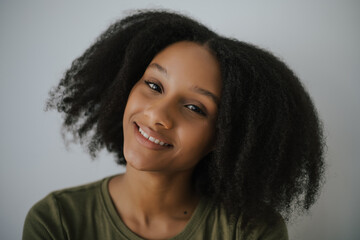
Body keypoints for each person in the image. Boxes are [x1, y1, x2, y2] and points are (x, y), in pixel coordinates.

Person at [22, 10, 325, 240]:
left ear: (225, 137)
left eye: (194, 107)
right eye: (154, 85)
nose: (158, 116)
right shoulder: (57, 220)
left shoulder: (250, 230)